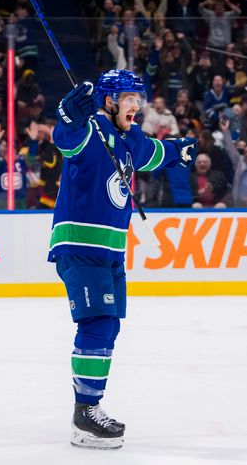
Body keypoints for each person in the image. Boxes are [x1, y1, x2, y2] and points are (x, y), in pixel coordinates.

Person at [48, 69, 196, 450]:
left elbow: (151, 154)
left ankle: (90, 406)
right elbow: (66, 140)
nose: (138, 105)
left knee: (109, 328)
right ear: (110, 100)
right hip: (82, 246)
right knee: (97, 324)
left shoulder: (129, 137)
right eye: (130, 98)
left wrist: (177, 150)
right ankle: (85, 415)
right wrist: (69, 113)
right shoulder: (91, 129)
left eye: (139, 98)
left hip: (110, 251)